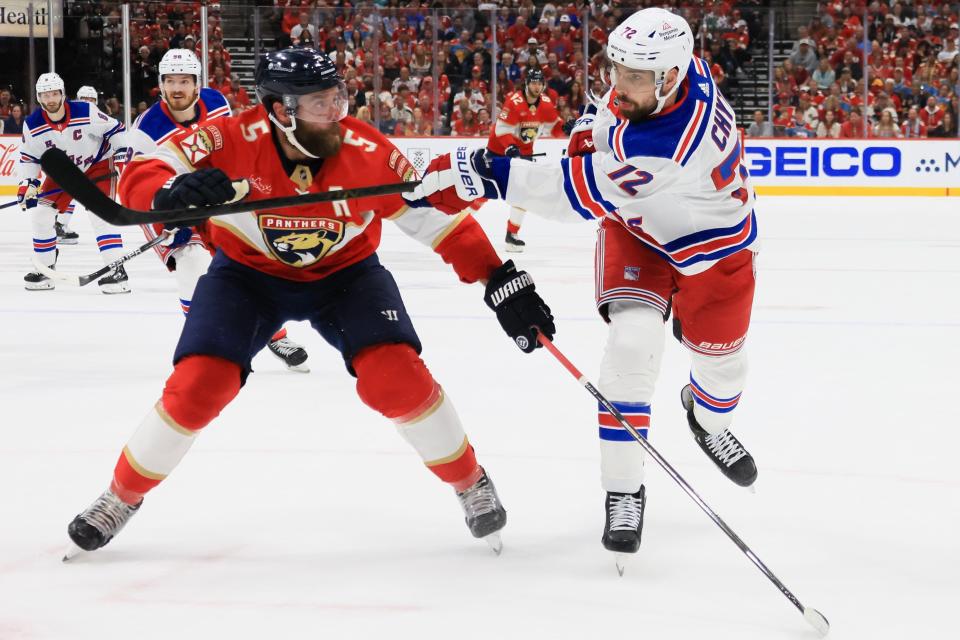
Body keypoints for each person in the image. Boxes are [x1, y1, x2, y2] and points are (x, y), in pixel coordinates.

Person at [64, 48, 555, 558]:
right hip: (246, 276)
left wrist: (497, 277)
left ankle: (470, 480)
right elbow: (144, 168)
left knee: (396, 378)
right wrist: (169, 190)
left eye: (337, 97)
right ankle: (121, 496)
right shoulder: (230, 138)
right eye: (320, 102)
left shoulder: (366, 150)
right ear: (280, 110)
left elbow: (437, 220)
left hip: (347, 277)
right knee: (198, 385)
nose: (336, 111)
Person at [410, 7, 759, 571]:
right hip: (638, 231)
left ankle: (708, 419)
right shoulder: (669, 74)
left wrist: (475, 173)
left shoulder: (672, 140)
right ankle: (624, 489)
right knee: (630, 347)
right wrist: (582, 134)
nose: (619, 84)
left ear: (670, 77)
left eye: (635, 76)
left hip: (714, 254)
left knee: (724, 369)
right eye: (615, 69)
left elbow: (569, 196)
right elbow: (601, 124)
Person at [126, 49, 311, 371]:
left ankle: (273, 333)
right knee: (193, 265)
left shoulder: (216, 103)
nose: (177, 88)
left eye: (184, 80)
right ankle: (207, 341)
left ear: (197, 84)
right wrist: (167, 200)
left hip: (214, 196)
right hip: (172, 206)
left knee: (252, 259)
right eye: (170, 81)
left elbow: (230, 146)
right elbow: (135, 181)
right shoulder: (145, 129)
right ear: (161, 85)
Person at [16, 72, 130, 293]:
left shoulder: (85, 111)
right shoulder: (33, 125)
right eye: (45, 95)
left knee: (100, 215)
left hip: (97, 165)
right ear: (39, 98)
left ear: (63, 94)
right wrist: (28, 184)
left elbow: (115, 129)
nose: (50, 99)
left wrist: (122, 153)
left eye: (54, 94)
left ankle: (117, 270)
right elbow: (29, 157)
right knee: (41, 215)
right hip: (64, 173)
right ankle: (45, 269)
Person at [487, 67, 562, 252]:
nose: (537, 86)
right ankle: (458, 221)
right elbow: (501, 130)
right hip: (499, 153)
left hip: (524, 157)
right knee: (483, 190)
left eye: (540, 83)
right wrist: (510, 146)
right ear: (527, 84)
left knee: (522, 195)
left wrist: (567, 129)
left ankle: (511, 235)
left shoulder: (545, 103)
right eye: (534, 82)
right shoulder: (514, 102)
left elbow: (555, 128)